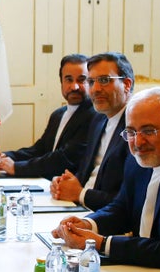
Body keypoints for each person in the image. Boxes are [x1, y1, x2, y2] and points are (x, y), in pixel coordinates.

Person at [52, 87, 160, 272]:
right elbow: (122, 208)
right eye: (130, 131)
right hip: (143, 267)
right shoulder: (141, 154)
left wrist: (102, 243)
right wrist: (88, 224)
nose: (137, 142)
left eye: (148, 131)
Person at [50, 52, 134, 210]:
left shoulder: (136, 128)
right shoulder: (98, 120)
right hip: (78, 208)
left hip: (106, 218)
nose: (95, 89)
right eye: (91, 81)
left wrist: (80, 193)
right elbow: (85, 173)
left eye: (104, 80)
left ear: (127, 84)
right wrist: (64, 183)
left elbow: (129, 199)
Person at [0, 54, 98, 179]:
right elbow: (40, 149)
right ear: (61, 82)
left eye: (81, 80)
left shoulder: (94, 116)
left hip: (66, 189)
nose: (74, 86)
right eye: (69, 79)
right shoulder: (58, 114)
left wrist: (16, 167)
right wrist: (7, 156)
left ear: (90, 82)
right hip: (46, 182)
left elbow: (65, 158)